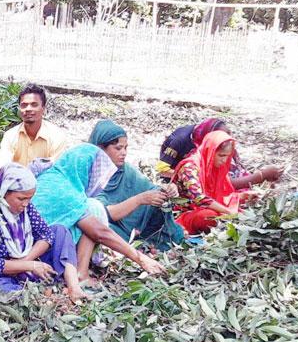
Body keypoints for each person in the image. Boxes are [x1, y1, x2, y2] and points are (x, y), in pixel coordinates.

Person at [30, 143, 166, 285]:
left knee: (90, 210)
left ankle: (80, 270)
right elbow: (99, 232)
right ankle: (80, 273)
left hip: (35, 240)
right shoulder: (66, 191)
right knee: (93, 210)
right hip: (38, 248)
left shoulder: (54, 176)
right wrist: (141, 259)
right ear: (84, 170)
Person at [0, 164, 85, 301]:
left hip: (27, 258)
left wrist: (26, 261)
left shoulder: (26, 208)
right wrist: (30, 266)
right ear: (4, 192)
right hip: (3, 274)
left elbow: (46, 235)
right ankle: (32, 295)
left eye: (29, 199)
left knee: (60, 231)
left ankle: (74, 286)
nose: (25, 204)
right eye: (21, 199)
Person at [89, 120, 185, 251]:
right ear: (100, 149)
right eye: (118, 148)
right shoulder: (91, 173)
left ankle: (151, 242)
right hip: (111, 227)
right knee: (97, 229)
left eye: (126, 148)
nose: (124, 153)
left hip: (137, 228)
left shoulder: (125, 170)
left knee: (160, 207)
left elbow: (150, 189)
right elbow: (102, 212)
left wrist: (167, 190)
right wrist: (139, 200)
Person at [157, 118, 282, 190]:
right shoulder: (179, 141)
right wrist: (261, 176)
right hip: (182, 176)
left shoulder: (213, 139)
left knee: (234, 173)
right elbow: (162, 170)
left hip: (202, 168)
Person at [171, 130, 241, 235]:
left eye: (227, 156)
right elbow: (199, 198)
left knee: (237, 205)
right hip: (186, 212)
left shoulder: (215, 168)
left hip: (207, 208)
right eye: (221, 155)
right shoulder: (190, 167)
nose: (224, 160)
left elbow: (224, 192)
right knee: (207, 217)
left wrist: (243, 197)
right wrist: (228, 212)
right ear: (211, 151)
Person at [0, 84, 70, 171]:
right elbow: (1, 168)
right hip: (14, 182)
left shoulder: (56, 136)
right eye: (24, 105)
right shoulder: (10, 136)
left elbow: (56, 172)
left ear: (43, 109)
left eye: (34, 104)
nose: (28, 109)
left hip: (44, 183)